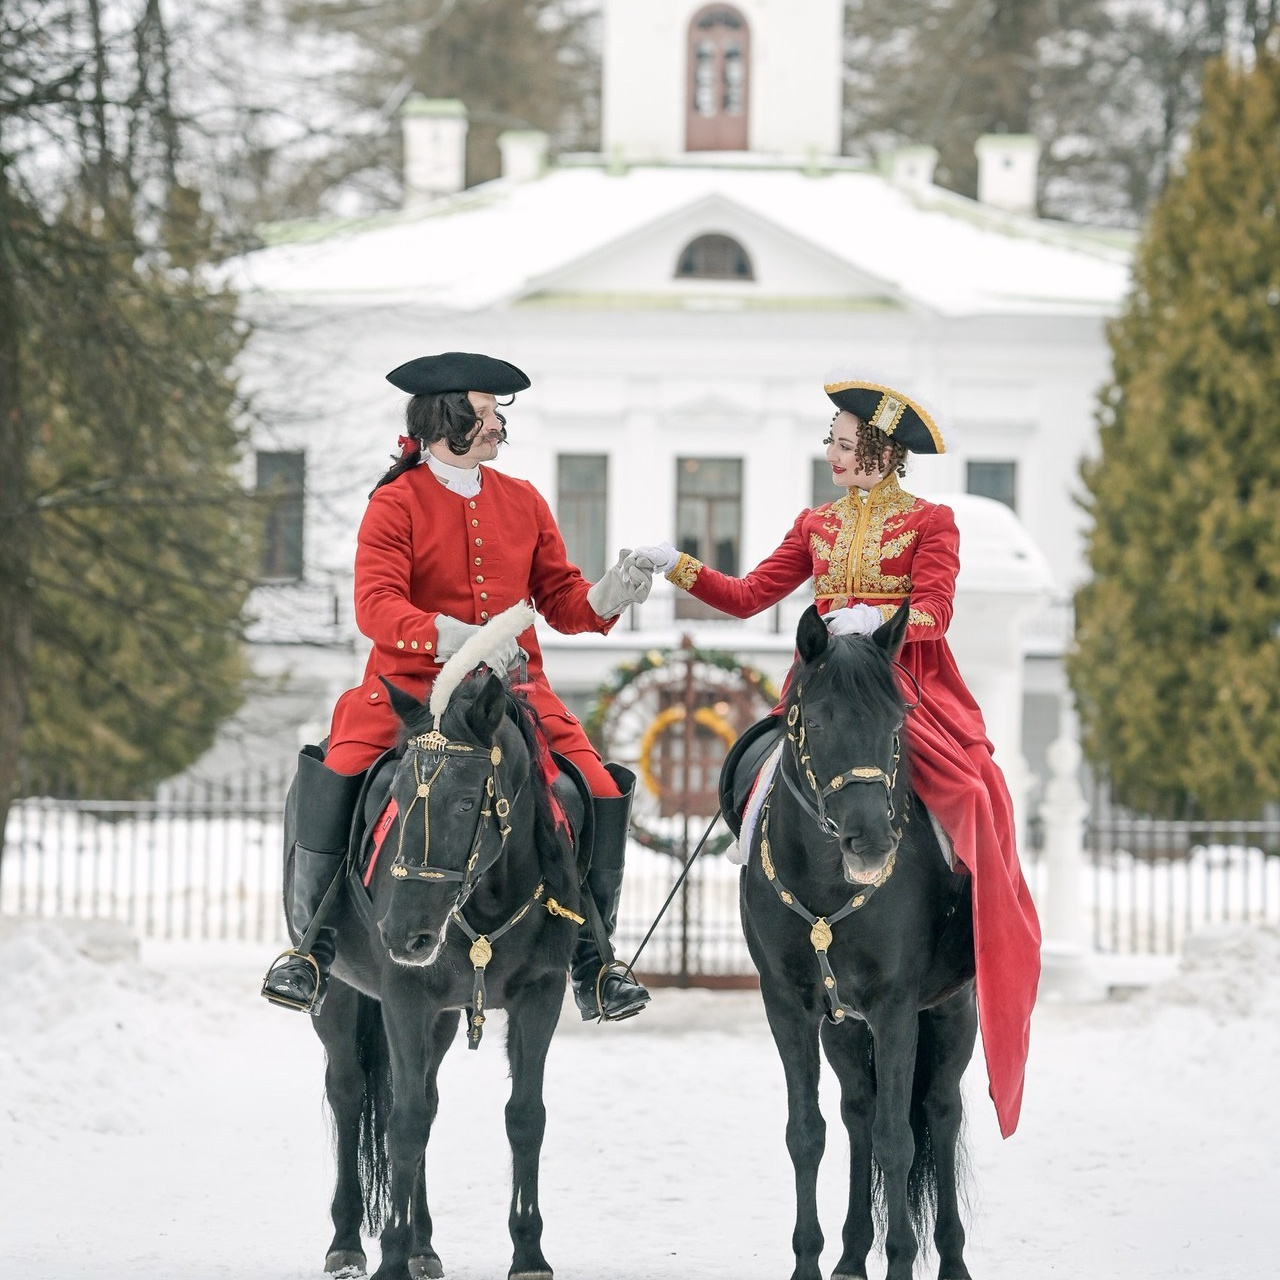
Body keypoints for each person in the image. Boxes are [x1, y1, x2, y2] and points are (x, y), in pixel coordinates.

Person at [633, 376, 1041, 1138]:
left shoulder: (931, 521)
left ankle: (979, 914)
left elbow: (939, 607)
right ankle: (757, 855)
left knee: (976, 788)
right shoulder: (815, 523)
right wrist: (676, 563)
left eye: (842, 442)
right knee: (763, 779)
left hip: (900, 681)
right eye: (831, 440)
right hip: (823, 687)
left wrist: (876, 616)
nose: (831, 452)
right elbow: (751, 593)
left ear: (880, 451)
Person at [262, 351, 655, 1022]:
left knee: (598, 785)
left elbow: (559, 598)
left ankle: (593, 956)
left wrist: (607, 595)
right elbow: (375, 608)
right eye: (487, 411)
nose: (499, 423)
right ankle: (315, 946)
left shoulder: (523, 500)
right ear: (449, 418)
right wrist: (453, 637)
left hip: (513, 691)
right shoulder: (395, 503)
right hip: (411, 687)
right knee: (342, 768)